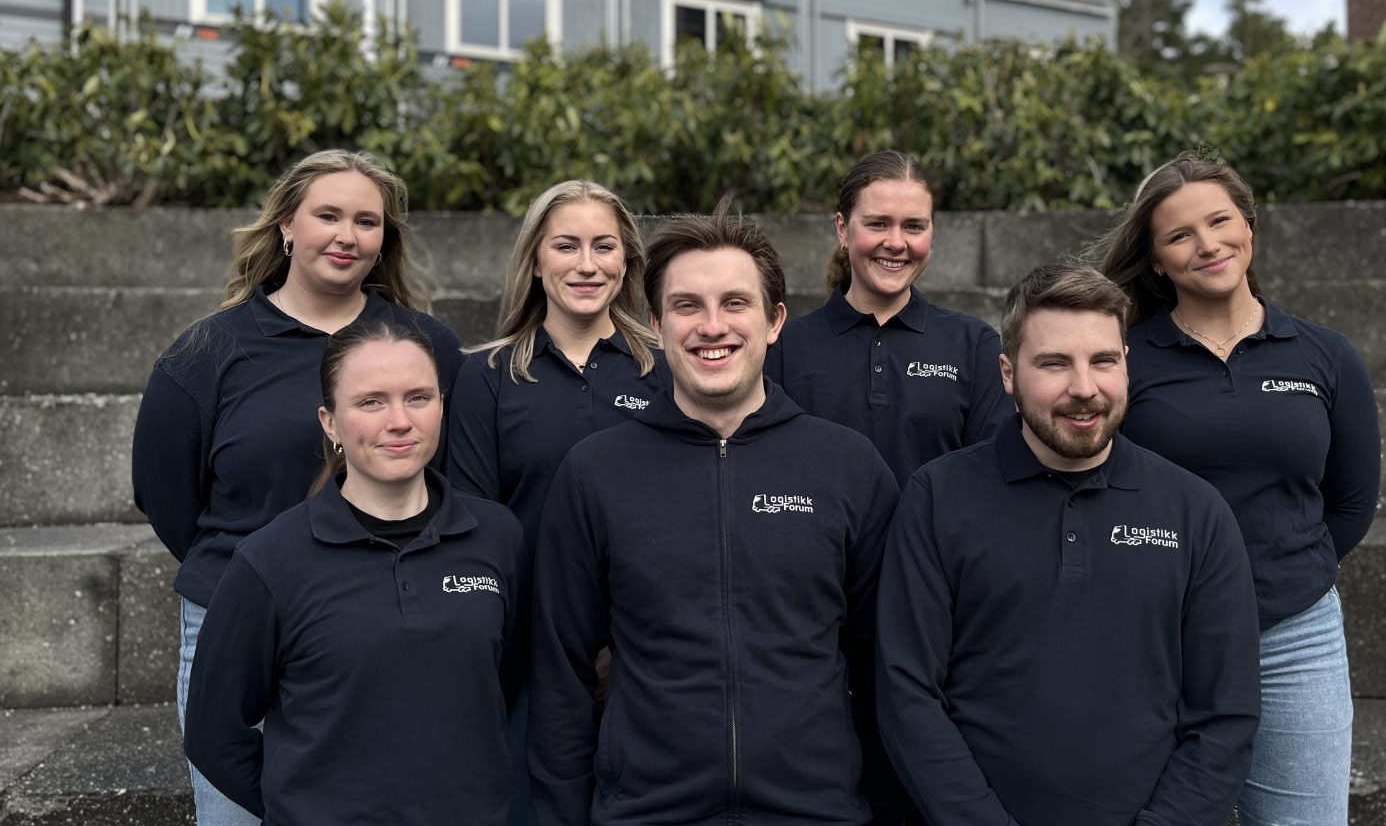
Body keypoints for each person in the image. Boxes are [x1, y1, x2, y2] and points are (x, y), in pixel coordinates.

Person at [529, 203, 901, 826]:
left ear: (774, 321)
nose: (711, 326)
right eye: (686, 306)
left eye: (734, 303)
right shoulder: (595, 473)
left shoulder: (848, 469)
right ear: (656, 324)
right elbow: (560, 674)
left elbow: (885, 666)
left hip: (817, 814)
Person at [131, 150, 464, 826]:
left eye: (366, 221)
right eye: (328, 215)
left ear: (384, 239)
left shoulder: (426, 345)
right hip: (235, 619)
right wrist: (249, 576)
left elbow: (453, 478)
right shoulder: (206, 354)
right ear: (287, 225)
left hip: (383, 622)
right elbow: (164, 492)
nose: (347, 236)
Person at [877, 263, 1260, 826]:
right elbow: (907, 692)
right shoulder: (937, 499)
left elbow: (1225, 713)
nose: (1084, 388)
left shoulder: (1196, 512)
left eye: (1103, 361)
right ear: (1008, 373)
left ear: (1126, 363)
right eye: (1054, 363)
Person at [1098, 153, 1381, 826]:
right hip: (1155, 636)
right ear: (1157, 261)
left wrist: (1279, 572)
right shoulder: (1124, 360)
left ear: (1249, 225)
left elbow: (1349, 503)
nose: (1207, 244)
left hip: (1293, 637)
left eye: (1220, 221)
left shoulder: (1325, 355)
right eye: (1180, 235)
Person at [183, 318, 529, 825]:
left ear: (441, 405)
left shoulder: (497, 537)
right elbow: (213, 733)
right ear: (330, 422)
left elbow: (506, 679)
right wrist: (303, 807)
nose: (399, 421)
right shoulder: (271, 561)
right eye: (371, 402)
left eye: (418, 397)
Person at [446, 179, 667, 826]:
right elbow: (474, 527)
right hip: (526, 657)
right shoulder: (486, 376)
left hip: (649, 653)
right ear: (536, 261)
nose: (587, 264)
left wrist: (625, 643)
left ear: (627, 260)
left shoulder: (666, 370)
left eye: (604, 246)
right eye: (566, 246)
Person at [766, 150, 1014, 487]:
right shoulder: (784, 347)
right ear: (842, 229)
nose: (896, 243)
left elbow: (992, 479)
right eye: (878, 224)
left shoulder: (974, 346)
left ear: (932, 233)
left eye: (913, 226)